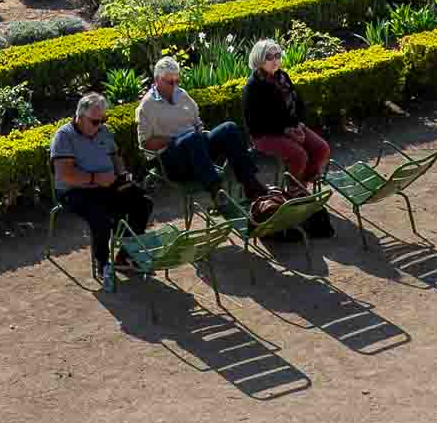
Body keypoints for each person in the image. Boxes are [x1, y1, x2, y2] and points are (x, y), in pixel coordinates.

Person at [51, 92, 155, 282]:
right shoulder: (64, 136)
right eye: (95, 121)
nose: (99, 125)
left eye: (102, 120)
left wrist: (122, 173)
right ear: (80, 117)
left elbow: (115, 156)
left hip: (106, 184)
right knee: (101, 217)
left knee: (143, 202)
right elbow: (65, 175)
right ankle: (103, 264)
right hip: (75, 190)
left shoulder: (103, 131)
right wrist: (95, 178)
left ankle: (125, 255)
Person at [135, 56, 267, 199]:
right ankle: (217, 193)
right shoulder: (147, 106)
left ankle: (250, 183)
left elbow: (197, 123)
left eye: (177, 81)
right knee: (191, 138)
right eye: (170, 82)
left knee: (228, 128)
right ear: (157, 80)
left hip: (197, 148)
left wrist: (199, 131)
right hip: (172, 160)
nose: (174, 86)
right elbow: (145, 143)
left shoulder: (182, 95)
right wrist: (171, 140)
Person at [241, 41, 336, 234]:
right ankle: (294, 192)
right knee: (298, 155)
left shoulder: (282, 77)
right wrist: (286, 131)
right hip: (264, 134)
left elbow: (298, 104)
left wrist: (299, 125)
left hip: (291, 126)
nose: (275, 60)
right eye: (269, 57)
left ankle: (300, 186)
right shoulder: (253, 87)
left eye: (278, 55)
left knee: (321, 148)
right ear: (259, 59)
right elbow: (256, 122)